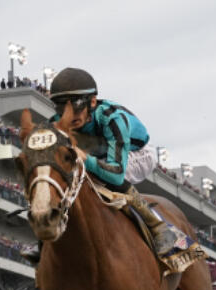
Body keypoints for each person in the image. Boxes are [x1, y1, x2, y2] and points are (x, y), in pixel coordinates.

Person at [47, 67, 177, 257]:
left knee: (99, 176)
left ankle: (158, 226)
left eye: (75, 105)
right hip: (99, 151)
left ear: (92, 102)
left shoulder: (113, 118)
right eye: (61, 107)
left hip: (137, 153)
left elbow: (115, 174)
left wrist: (86, 160)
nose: (69, 114)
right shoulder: (56, 122)